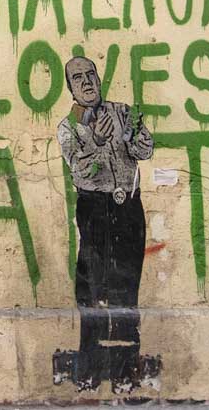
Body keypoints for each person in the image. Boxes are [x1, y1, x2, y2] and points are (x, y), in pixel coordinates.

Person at [56, 55, 154, 393]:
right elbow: (81, 171)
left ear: (99, 78)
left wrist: (132, 136)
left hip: (128, 207)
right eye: (78, 78)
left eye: (91, 74)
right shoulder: (69, 127)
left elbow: (146, 149)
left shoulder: (123, 112)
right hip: (94, 210)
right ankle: (91, 368)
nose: (86, 81)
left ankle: (127, 370)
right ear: (70, 88)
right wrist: (96, 143)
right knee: (92, 289)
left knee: (127, 288)